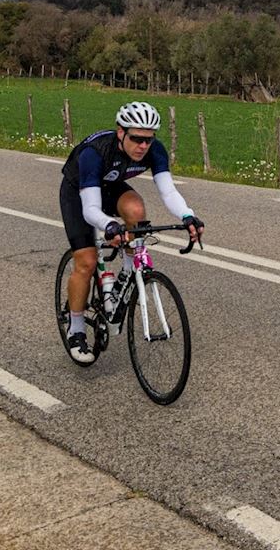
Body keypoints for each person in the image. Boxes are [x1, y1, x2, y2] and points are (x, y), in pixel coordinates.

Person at [58, 100, 204, 364]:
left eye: (148, 140)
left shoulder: (153, 151)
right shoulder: (95, 153)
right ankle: (76, 328)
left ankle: (127, 272)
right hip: (79, 191)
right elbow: (91, 209)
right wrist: (110, 226)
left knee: (136, 211)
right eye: (137, 139)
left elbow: (168, 191)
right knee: (87, 262)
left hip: (111, 184)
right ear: (120, 132)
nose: (143, 146)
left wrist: (187, 215)